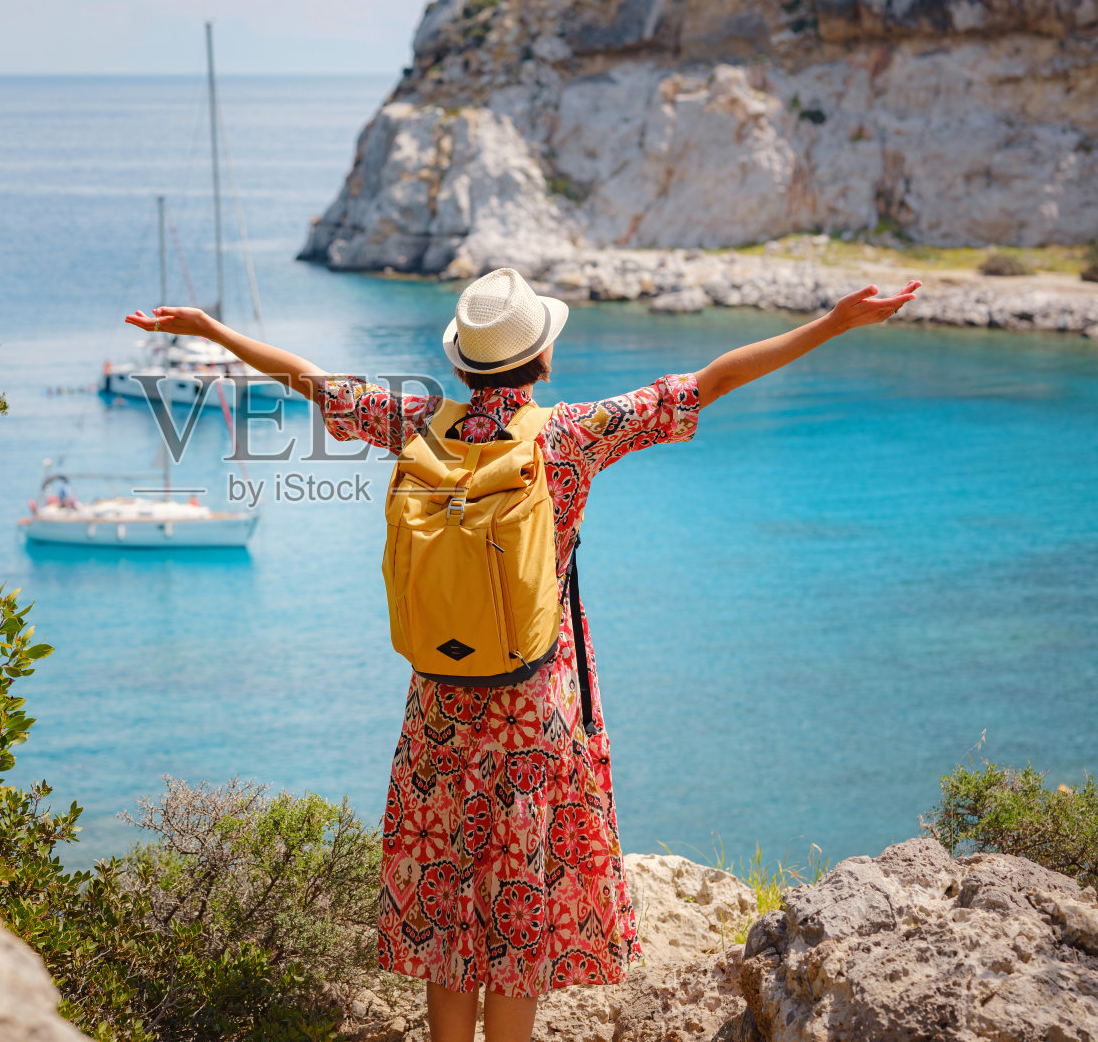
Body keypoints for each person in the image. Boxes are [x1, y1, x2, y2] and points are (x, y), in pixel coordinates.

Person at [124, 268, 920, 1042]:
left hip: (440, 709)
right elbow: (711, 381)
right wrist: (832, 323)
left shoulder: (417, 424)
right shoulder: (569, 435)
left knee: (447, 901)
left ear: (464, 365)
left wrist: (212, 331)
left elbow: (312, 380)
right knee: (516, 909)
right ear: (541, 357)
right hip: (534, 711)